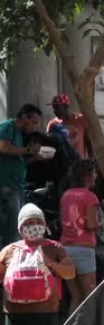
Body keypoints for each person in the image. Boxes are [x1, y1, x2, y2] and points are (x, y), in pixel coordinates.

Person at [0, 204, 75, 325]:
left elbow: (70, 272)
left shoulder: (54, 247)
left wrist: (52, 264)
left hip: (45, 314)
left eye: (38, 221)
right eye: (28, 222)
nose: (34, 225)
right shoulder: (9, 250)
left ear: (44, 224)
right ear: (20, 227)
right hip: (15, 316)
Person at [0, 104, 44, 246]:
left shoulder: (19, 134)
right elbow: (4, 148)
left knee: (16, 227)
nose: (35, 127)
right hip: (7, 186)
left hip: (17, 186)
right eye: (34, 122)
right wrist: (28, 150)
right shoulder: (8, 127)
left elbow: (17, 159)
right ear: (25, 117)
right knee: (11, 229)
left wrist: (34, 158)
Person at [59, 160, 100, 308]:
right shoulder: (90, 197)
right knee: (90, 295)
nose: (96, 175)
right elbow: (91, 224)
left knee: (75, 297)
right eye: (94, 172)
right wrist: (99, 224)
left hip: (65, 250)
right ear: (88, 176)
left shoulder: (66, 195)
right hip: (84, 250)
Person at [47, 94, 90, 160]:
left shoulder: (80, 120)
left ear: (65, 106)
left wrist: (91, 159)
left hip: (79, 164)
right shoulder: (52, 124)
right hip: (62, 165)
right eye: (53, 108)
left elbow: (88, 141)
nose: (54, 111)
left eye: (57, 107)